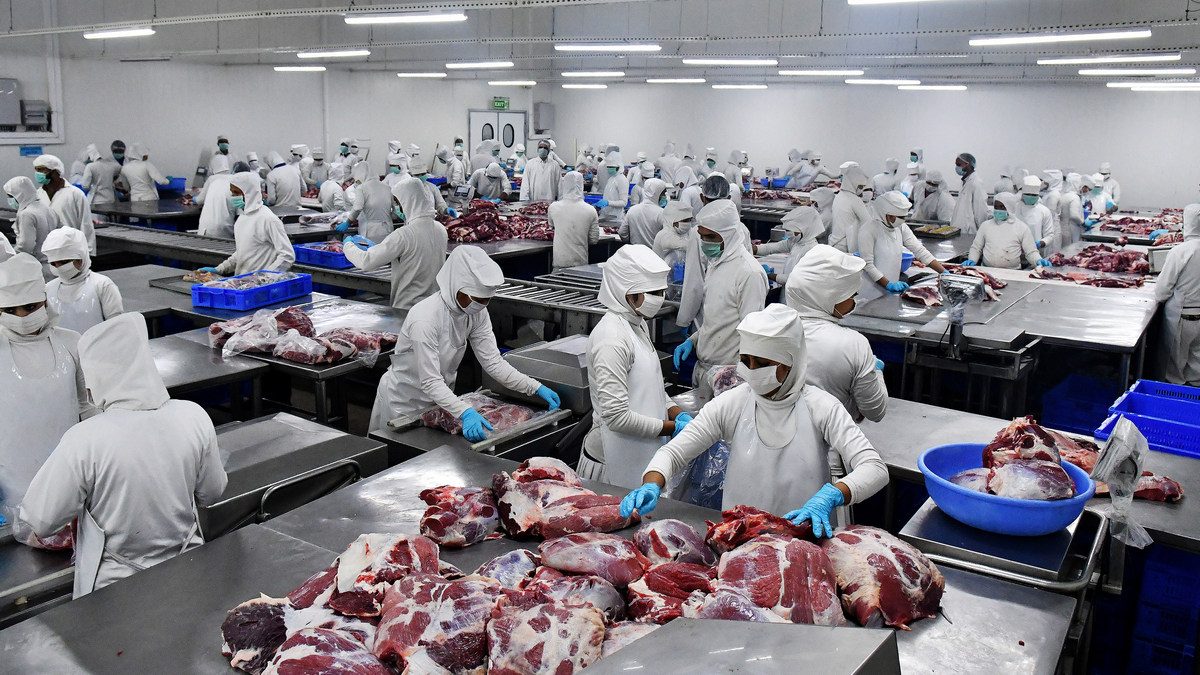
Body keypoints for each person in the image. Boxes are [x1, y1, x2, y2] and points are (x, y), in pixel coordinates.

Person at [621, 304, 888, 532]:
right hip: (740, 534)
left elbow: (874, 467)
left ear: (790, 363)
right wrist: (652, 484)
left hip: (800, 535)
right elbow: (674, 453)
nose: (750, 371)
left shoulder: (821, 407)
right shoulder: (734, 402)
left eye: (762, 364)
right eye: (745, 360)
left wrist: (833, 494)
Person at [14, 313, 226, 597]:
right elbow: (212, 493)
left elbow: (41, 520)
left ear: (98, 378)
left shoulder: (85, 439)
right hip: (186, 571)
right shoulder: (193, 415)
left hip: (115, 589)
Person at [368, 246, 561, 432]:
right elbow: (430, 381)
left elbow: (493, 362)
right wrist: (465, 412)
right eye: (476, 299)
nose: (481, 305)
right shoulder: (425, 319)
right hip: (404, 402)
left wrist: (534, 387)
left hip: (441, 401)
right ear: (455, 286)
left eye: (486, 300)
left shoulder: (476, 312)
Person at [578, 245, 690, 484]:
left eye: (661, 292)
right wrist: (671, 428)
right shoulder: (611, 339)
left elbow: (651, 388)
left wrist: (678, 413)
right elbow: (617, 417)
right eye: (653, 293)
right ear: (626, 294)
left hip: (642, 451)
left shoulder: (637, 323)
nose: (660, 299)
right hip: (609, 462)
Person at [0, 253, 90, 511]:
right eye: (10, 311)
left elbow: (86, 407)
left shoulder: (71, 342)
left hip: (68, 474)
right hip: (10, 480)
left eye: (30, 307)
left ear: (44, 300)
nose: (21, 317)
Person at [674, 200, 768, 397]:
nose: (705, 243)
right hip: (705, 368)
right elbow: (717, 317)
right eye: (701, 236)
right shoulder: (717, 262)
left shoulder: (749, 273)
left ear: (729, 235)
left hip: (730, 377)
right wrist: (694, 340)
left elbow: (751, 334)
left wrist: (736, 378)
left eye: (710, 237)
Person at [785, 244, 887, 422]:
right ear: (830, 297)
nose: (854, 301)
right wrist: (876, 372)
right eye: (851, 295)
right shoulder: (853, 344)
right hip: (831, 437)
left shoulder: (769, 328)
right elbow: (875, 411)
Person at [343, 177, 447, 315]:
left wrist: (348, 245)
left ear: (407, 202)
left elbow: (366, 261)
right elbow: (416, 256)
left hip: (408, 308)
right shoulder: (440, 229)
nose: (397, 207)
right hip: (434, 307)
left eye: (398, 202)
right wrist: (383, 249)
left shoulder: (404, 235)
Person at [199, 173, 294, 277]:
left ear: (249, 193)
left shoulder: (268, 219)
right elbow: (242, 253)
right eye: (232, 193)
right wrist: (220, 269)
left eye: (236, 193)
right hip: (242, 281)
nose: (233, 197)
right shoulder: (242, 218)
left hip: (260, 284)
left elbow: (287, 256)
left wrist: (265, 277)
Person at [859, 191, 948, 302]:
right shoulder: (868, 230)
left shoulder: (900, 226)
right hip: (870, 293)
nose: (902, 220)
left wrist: (944, 272)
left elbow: (919, 250)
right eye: (899, 217)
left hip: (890, 292)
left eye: (904, 217)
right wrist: (888, 284)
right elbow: (867, 265)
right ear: (887, 215)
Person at [41, 228, 122, 334]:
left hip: (97, 344)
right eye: (53, 264)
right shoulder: (48, 289)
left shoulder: (102, 285)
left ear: (81, 258)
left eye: (64, 262)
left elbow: (116, 328)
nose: (59, 267)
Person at [1154, 203, 1200, 385]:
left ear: (1187, 223)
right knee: (1197, 369)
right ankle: (1193, 398)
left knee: (1173, 371)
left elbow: (1162, 291)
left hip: (1182, 317)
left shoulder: (1180, 251)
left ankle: (1172, 397)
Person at [964, 192, 1053, 270]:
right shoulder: (985, 225)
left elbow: (1030, 252)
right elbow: (976, 247)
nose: (998, 210)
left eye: (1002, 207)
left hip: (1012, 271)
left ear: (1009, 208)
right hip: (987, 270)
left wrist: (1038, 260)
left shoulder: (1021, 227)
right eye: (996, 207)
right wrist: (972, 259)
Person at [33, 155, 95, 255]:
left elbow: (86, 224)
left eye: (41, 170)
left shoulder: (75, 194)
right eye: (36, 170)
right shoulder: (38, 194)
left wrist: (87, 253)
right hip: (45, 250)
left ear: (55, 172)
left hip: (70, 249)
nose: (37, 174)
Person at [754, 206, 825, 286]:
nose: (793, 233)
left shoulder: (812, 251)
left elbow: (795, 279)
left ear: (807, 229)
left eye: (797, 230)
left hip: (797, 291)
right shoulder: (796, 241)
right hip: (787, 289)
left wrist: (769, 275)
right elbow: (772, 248)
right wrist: (752, 248)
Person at [4, 177, 58, 280]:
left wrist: (9, 259)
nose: (9, 200)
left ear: (19, 195)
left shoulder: (27, 214)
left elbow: (25, 246)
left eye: (10, 196)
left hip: (37, 267)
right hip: (53, 264)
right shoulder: (46, 208)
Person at [549, 172, 599, 270]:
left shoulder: (553, 207)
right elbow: (593, 240)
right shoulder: (590, 210)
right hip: (580, 263)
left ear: (564, 185)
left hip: (560, 262)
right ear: (581, 186)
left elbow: (552, 227)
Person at [829, 165, 873, 254]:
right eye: (860, 187)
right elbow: (869, 222)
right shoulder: (854, 199)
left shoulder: (839, 196)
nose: (861, 191)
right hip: (846, 245)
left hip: (834, 242)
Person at [349, 171, 397, 244]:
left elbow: (357, 208)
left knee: (371, 249)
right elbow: (394, 212)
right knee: (387, 249)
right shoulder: (387, 187)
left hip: (370, 231)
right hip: (387, 228)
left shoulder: (361, 188)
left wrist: (348, 222)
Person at [196, 155, 237, 238]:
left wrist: (194, 199)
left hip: (206, 228)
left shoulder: (212, 179)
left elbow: (200, 200)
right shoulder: (235, 180)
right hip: (224, 228)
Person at [950, 152, 990, 236]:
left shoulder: (976, 183)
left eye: (958, 164)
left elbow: (980, 211)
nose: (956, 167)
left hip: (969, 232)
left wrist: (982, 233)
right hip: (958, 230)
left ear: (967, 164)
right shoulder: (965, 181)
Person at [621, 178, 669, 247]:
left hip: (634, 251)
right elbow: (667, 238)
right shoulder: (661, 213)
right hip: (653, 252)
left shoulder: (632, 210)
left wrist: (632, 243)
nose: (665, 197)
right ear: (656, 194)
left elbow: (622, 233)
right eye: (663, 194)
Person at [1017, 176, 1059, 254]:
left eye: (1034, 195)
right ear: (1023, 194)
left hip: (1037, 252)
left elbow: (1050, 235)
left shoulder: (1044, 211)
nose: (1031, 197)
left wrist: (1040, 243)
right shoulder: (1015, 209)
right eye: (1028, 194)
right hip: (1015, 253)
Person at [653, 202, 693, 269]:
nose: (688, 223)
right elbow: (687, 246)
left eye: (690, 220)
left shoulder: (684, 232)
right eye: (685, 221)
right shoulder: (665, 235)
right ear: (673, 221)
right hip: (661, 272)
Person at [598, 152, 629, 229]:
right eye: (608, 167)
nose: (609, 168)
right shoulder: (611, 179)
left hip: (616, 219)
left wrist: (608, 203)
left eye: (611, 167)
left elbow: (624, 202)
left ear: (619, 166)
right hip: (606, 216)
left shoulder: (622, 180)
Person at [1059, 173, 1087, 247]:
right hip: (1071, 229)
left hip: (1063, 228)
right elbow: (1074, 215)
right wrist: (1083, 223)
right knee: (1071, 249)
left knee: (1064, 249)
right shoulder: (1074, 197)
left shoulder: (1064, 195)